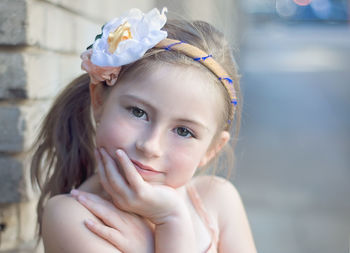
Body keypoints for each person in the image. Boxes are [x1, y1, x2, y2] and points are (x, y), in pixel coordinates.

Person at [30, 7, 257, 253]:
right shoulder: (73, 217)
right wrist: (172, 221)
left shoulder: (218, 201)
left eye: (183, 131)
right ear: (99, 101)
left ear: (211, 150)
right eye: (138, 112)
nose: (150, 146)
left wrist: (167, 225)